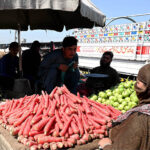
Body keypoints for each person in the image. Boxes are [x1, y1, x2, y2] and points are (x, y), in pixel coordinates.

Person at [98, 64, 150, 150]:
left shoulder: (140, 118)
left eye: (138, 82)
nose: (135, 86)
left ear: (147, 88)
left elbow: (125, 146)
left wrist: (106, 145)